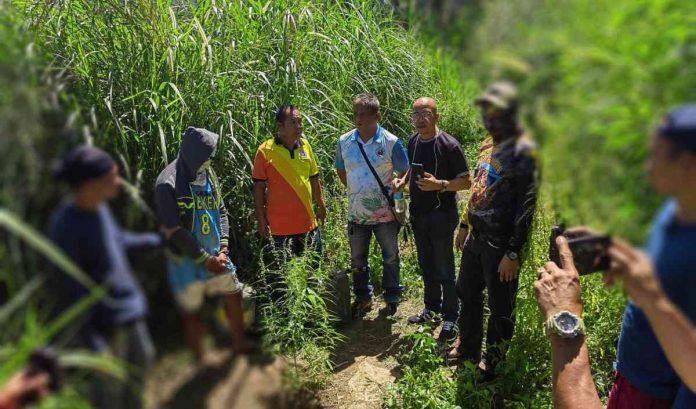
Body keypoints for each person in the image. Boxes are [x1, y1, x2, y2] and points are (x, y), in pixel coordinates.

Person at [534, 104, 696, 409]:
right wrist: (618, 254)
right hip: (636, 370)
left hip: (654, 390)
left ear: (687, 164)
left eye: (655, 156)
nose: (647, 166)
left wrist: (564, 316)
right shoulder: (678, 205)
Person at [49, 145, 160, 409]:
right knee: (109, 393)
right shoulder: (65, 228)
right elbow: (70, 292)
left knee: (141, 365)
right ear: (90, 185)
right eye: (111, 177)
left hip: (128, 311)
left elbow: (117, 239)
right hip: (106, 326)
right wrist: (95, 346)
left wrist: (156, 239)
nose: (118, 182)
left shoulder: (98, 208)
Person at [448, 82, 539, 379]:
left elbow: (527, 206)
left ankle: (495, 362)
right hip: (477, 235)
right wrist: (464, 223)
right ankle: (469, 347)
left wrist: (513, 251)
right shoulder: (487, 142)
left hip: (501, 245)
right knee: (467, 291)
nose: (489, 117)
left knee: (501, 306)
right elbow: (477, 187)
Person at [155, 127, 247, 361]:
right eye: (206, 156)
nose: (209, 161)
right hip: (185, 260)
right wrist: (204, 259)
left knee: (234, 294)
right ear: (194, 155)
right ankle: (200, 361)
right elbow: (174, 230)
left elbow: (221, 210)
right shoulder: (167, 183)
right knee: (192, 312)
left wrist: (223, 248)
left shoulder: (209, 174)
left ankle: (239, 346)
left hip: (218, 254)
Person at [393, 97, 471, 343]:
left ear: (436, 117)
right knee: (426, 265)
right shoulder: (414, 140)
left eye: (425, 113)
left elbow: (466, 181)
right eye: (415, 114)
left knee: (445, 269)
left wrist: (441, 184)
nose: (419, 119)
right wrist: (402, 181)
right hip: (419, 214)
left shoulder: (449, 145)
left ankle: (451, 317)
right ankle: (431, 309)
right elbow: (412, 168)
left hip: (442, 216)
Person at [335, 93, 409, 317]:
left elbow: (406, 169)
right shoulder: (344, 141)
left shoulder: (391, 142)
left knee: (391, 256)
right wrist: (359, 190)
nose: (359, 119)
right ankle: (363, 297)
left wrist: (401, 181)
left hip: (385, 213)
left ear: (377, 115)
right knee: (358, 260)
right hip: (357, 213)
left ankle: (392, 296)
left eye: (365, 115)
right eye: (356, 114)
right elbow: (341, 170)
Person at [252, 106, 326, 259]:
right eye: (293, 122)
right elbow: (259, 188)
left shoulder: (306, 146)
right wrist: (261, 219)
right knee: (285, 276)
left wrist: (321, 205)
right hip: (280, 229)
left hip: (308, 224)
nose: (299, 126)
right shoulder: (265, 150)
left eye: (300, 122)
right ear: (280, 126)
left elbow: (314, 178)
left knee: (314, 271)